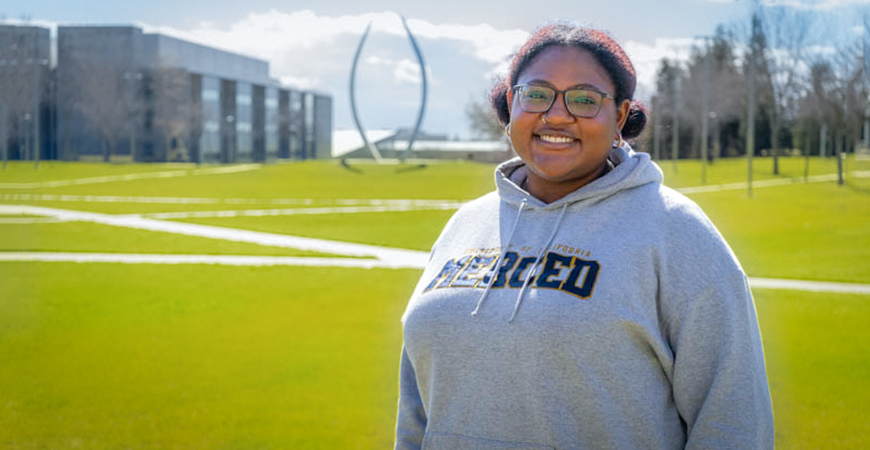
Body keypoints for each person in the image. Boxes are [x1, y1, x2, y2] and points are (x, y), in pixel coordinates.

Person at [395, 22, 774, 450]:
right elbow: (415, 413)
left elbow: (733, 422)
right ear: (509, 107)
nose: (556, 114)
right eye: (536, 94)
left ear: (621, 116)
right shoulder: (464, 226)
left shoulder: (676, 231)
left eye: (584, 99)